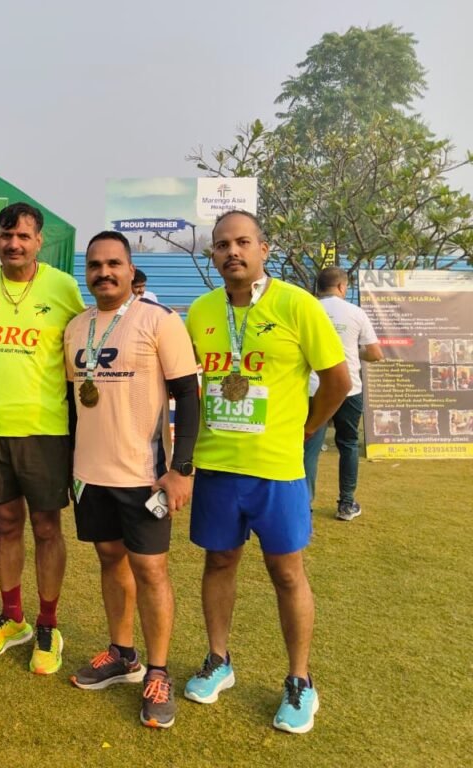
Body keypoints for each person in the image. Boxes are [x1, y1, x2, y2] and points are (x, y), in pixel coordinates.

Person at [183, 210, 350, 733]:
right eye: (221, 245)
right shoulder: (201, 311)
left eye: (242, 242)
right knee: (218, 562)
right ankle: (218, 660)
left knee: (287, 572)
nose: (232, 251)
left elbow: (338, 381)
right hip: (216, 464)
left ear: (263, 249)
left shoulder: (297, 305)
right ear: (213, 254)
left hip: (276, 469)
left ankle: (300, 681)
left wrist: (306, 429)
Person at [64, 231, 199, 728]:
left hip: (144, 475)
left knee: (151, 569)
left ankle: (158, 671)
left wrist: (181, 468)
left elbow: (189, 397)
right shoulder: (76, 327)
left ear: (129, 268)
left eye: (113, 264)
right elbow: (74, 403)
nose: (104, 272)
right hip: (90, 474)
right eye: (95, 265)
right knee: (109, 558)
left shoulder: (160, 320)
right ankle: (122, 654)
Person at [0, 202, 84, 675]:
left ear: (39, 241)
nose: (14, 244)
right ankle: (13, 618)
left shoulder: (63, 287)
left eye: (23, 236)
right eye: (6, 236)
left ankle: (48, 624)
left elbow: (89, 335)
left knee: (46, 528)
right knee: (6, 525)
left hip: (45, 431)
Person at [303, 266, 383, 520]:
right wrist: (351, 351)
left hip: (313, 388)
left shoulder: (307, 309)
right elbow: (375, 354)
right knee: (348, 444)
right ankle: (346, 504)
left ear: (318, 286)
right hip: (349, 389)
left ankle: (304, 505)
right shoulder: (355, 312)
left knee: (309, 446)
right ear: (341, 286)